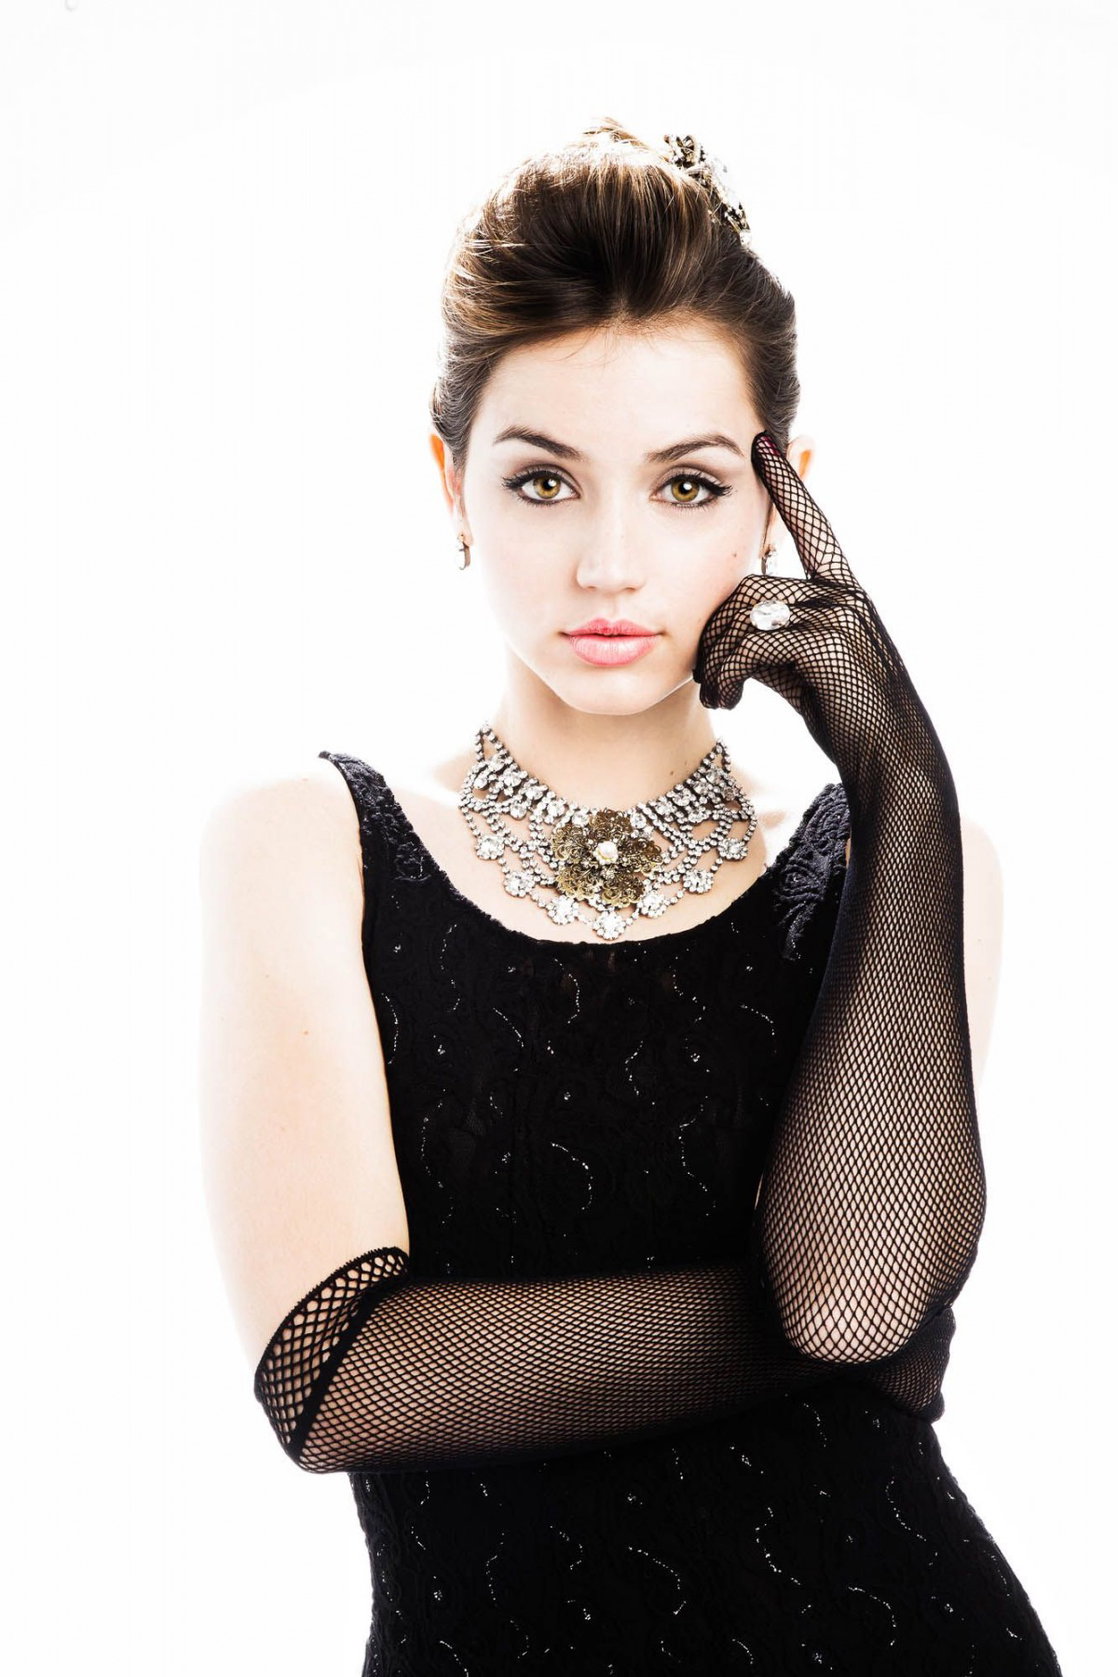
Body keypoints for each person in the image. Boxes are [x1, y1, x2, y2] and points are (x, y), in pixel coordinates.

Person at [198, 120, 1063, 1674]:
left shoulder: (894, 858)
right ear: (452, 485)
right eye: (543, 481)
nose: (609, 562)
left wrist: (902, 772)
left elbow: (855, 1303)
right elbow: (344, 1381)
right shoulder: (310, 840)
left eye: (683, 484)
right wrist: (812, 1326)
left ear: (782, 501)